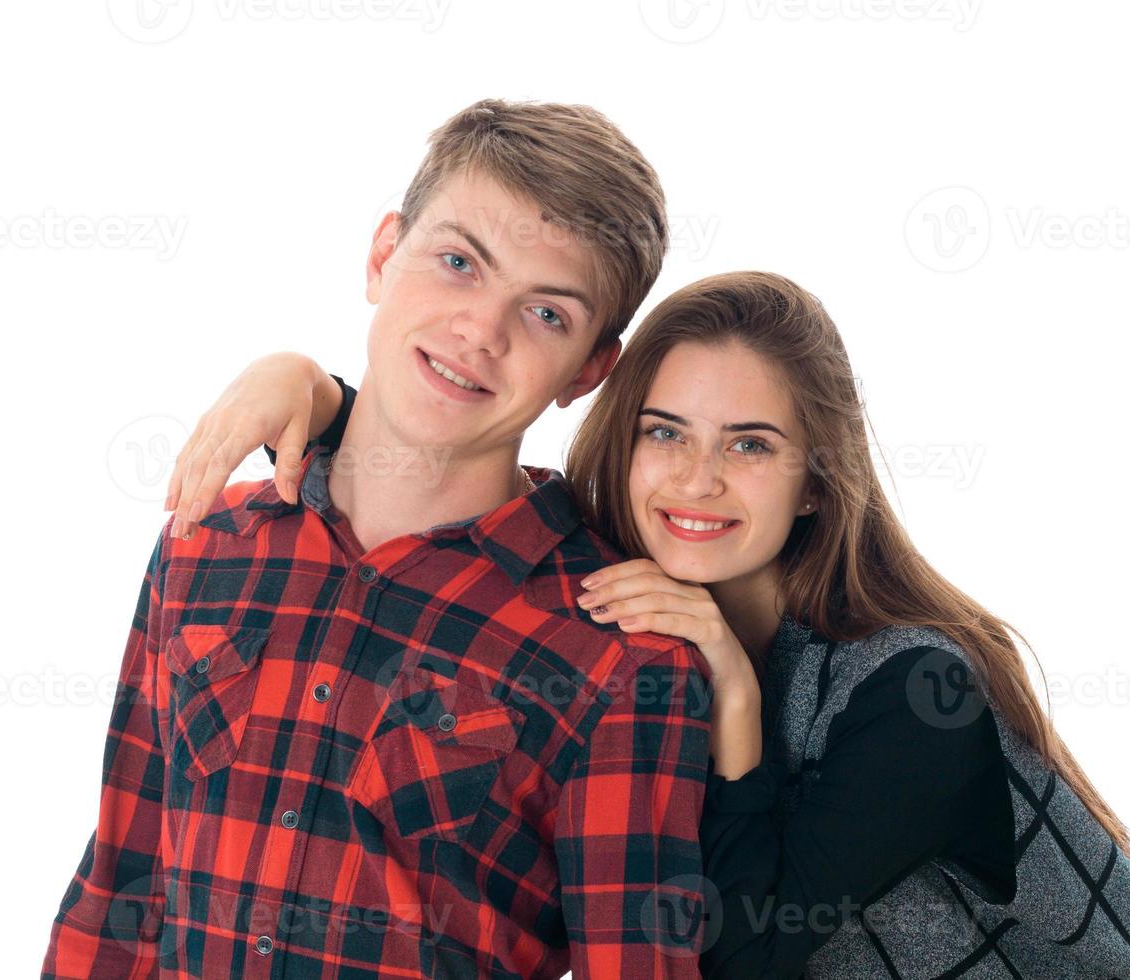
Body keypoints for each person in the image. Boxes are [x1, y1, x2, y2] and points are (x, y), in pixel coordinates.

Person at [165, 271, 1130, 978]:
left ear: (815, 482)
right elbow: (457, 476)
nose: (698, 479)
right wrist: (313, 387)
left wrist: (734, 692)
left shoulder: (912, 694)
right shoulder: (613, 592)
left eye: (751, 444)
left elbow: (734, 955)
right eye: (666, 431)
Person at [42, 99, 721, 979]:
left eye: (547, 314)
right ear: (381, 254)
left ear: (589, 370)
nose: (481, 330)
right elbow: (121, 885)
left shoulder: (621, 656)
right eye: (457, 263)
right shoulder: (206, 539)